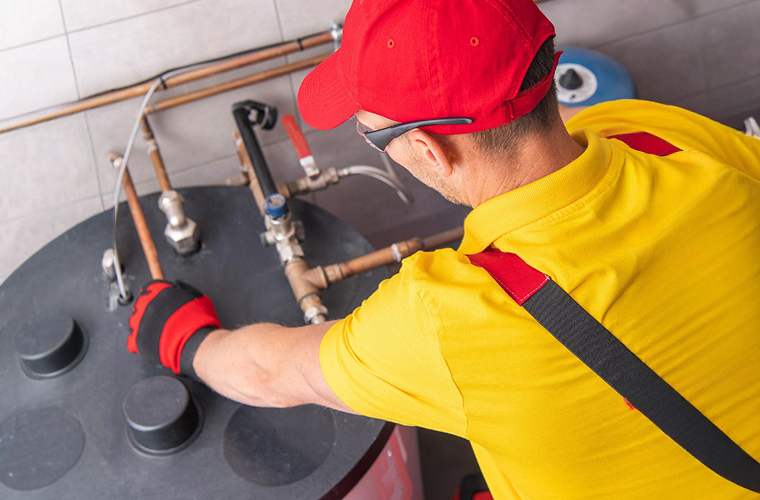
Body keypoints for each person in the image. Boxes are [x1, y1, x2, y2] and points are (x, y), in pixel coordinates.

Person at [127, 0, 760, 498]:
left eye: (374, 138)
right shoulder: (659, 134)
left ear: (430, 149)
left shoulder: (451, 320)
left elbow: (271, 375)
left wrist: (183, 337)